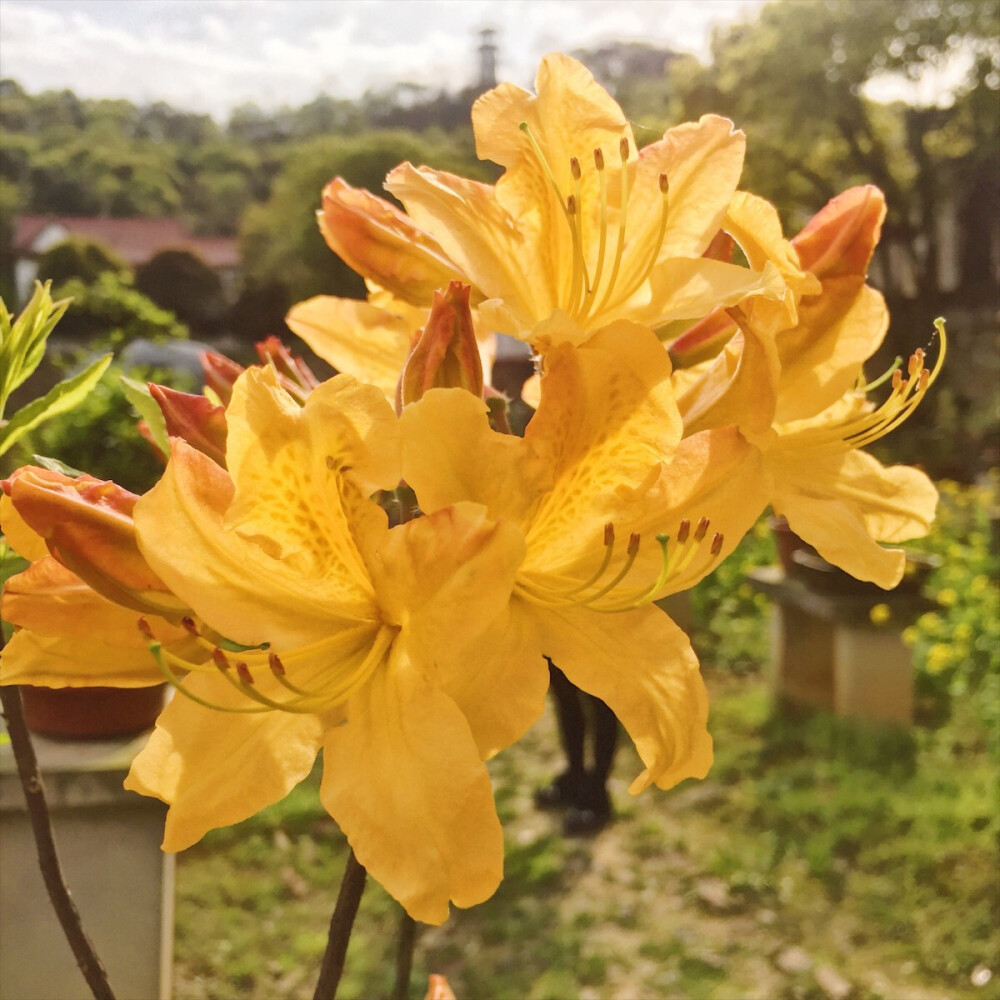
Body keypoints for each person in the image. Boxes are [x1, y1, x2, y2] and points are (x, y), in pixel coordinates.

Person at [534, 659, 618, 835]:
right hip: (554, 633)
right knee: (564, 694)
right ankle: (574, 776)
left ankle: (598, 796)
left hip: (600, 636)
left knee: (603, 702)